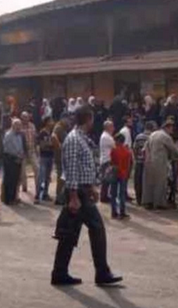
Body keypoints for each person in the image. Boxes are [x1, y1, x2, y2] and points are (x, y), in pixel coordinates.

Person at [51, 106, 122, 287]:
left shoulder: (81, 138)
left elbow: (83, 168)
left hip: (82, 190)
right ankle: (101, 272)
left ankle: (60, 273)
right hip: (77, 192)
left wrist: (91, 187)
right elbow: (72, 169)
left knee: (69, 234)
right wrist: (74, 196)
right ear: (88, 119)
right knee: (95, 228)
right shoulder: (74, 139)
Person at [142, 119, 178, 209]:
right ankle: (159, 203)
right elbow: (173, 150)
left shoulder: (153, 134)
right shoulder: (166, 137)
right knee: (160, 183)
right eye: (171, 128)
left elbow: (145, 148)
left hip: (149, 160)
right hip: (160, 161)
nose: (172, 130)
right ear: (167, 127)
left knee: (149, 183)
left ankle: (148, 202)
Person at [2, 119, 24, 205]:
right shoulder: (8, 135)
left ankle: (13, 198)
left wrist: (21, 155)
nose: (19, 127)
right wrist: (17, 155)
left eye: (20, 125)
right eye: (17, 125)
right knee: (9, 179)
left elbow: (20, 147)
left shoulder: (19, 135)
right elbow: (7, 148)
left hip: (18, 159)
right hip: (10, 159)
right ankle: (8, 199)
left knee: (16, 179)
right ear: (13, 125)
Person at [110, 134, 132, 220]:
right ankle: (122, 212)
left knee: (113, 193)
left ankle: (114, 212)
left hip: (115, 172)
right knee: (122, 194)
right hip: (123, 173)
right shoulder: (127, 152)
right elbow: (128, 164)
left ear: (118, 141)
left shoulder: (114, 150)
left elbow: (112, 161)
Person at [133, 121, 155, 205]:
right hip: (148, 163)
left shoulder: (139, 136)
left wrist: (136, 157)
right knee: (147, 182)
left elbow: (134, 148)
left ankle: (138, 199)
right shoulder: (152, 137)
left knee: (138, 181)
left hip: (139, 161)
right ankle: (146, 200)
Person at [35, 117, 56, 204]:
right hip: (44, 157)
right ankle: (38, 195)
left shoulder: (52, 132)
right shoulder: (42, 133)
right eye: (50, 121)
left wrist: (51, 144)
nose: (52, 123)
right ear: (46, 122)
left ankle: (45, 194)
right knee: (42, 177)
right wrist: (51, 144)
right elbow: (42, 145)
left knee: (47, 177)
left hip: (50, 156)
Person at [19, 111, 39, 195]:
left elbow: (35, 138)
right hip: (23, 151)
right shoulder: (19, 126)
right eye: (23, 117)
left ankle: (37, 187)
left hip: (32, 150)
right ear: (21, 118)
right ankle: (24, 186)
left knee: (37, 168)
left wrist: (36, 149)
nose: (25, 119)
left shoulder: (32, 126)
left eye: (26, 117)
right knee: (22, 170)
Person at [52, 118, 70, 205]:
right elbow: (53, 137)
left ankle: (62, 196)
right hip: (60, 157)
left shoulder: (63, 128)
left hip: (63, 156)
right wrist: (60, 146)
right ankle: (59, 197)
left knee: (63, 177)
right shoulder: (58, 128)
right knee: (61, 178)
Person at [99, 121, 115, 203]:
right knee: (106, 180)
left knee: (106, 180)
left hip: (105, 159)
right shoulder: (107, 137)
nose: (113, 128)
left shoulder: (105, 136)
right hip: (107, 160)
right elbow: (114, 146)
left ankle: (105, 195)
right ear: (108, 127)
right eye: (112, 127)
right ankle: (103, 196)